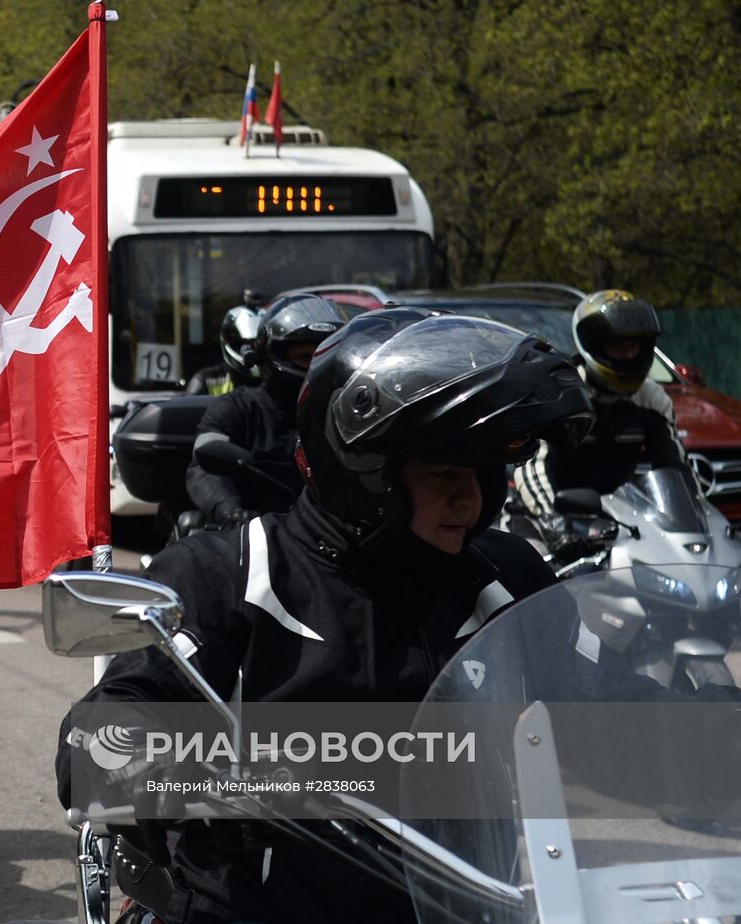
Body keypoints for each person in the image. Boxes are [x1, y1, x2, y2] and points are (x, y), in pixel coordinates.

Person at [56, 309, 597, 923]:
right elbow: (95, 746)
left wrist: (704, 725)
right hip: (249, 912)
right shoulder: (231, 574)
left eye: (481, 473)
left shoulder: (502, 577)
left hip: (463, 907)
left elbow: (606, 704)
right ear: (365, 471)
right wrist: (178, 766)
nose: (469, 497)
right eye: (443, 472)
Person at [512, 289, 689, 561]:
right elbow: (531, 467)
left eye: (635, 346)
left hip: (618, 522)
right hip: (545, 516)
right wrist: (554, 522)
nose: (629, 355)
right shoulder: (561, 393)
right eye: (618, 346)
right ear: (594, 345)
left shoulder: (652, 398)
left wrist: (697, 523)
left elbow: (674, 468)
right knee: (533, 575)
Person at [183, 294, 346, 527]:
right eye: (304, 357)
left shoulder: (345, 414)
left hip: (327, 536)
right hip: (251, 539)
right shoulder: (236, 409)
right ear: (273, 355)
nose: (315, 367)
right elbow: (204, 470)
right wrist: (232, 513)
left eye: (325, 356)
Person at [184, 304, 260, 397]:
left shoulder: (276, 379)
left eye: (258, 343)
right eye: (247, 343)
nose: (253, 349)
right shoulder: (206, 380)